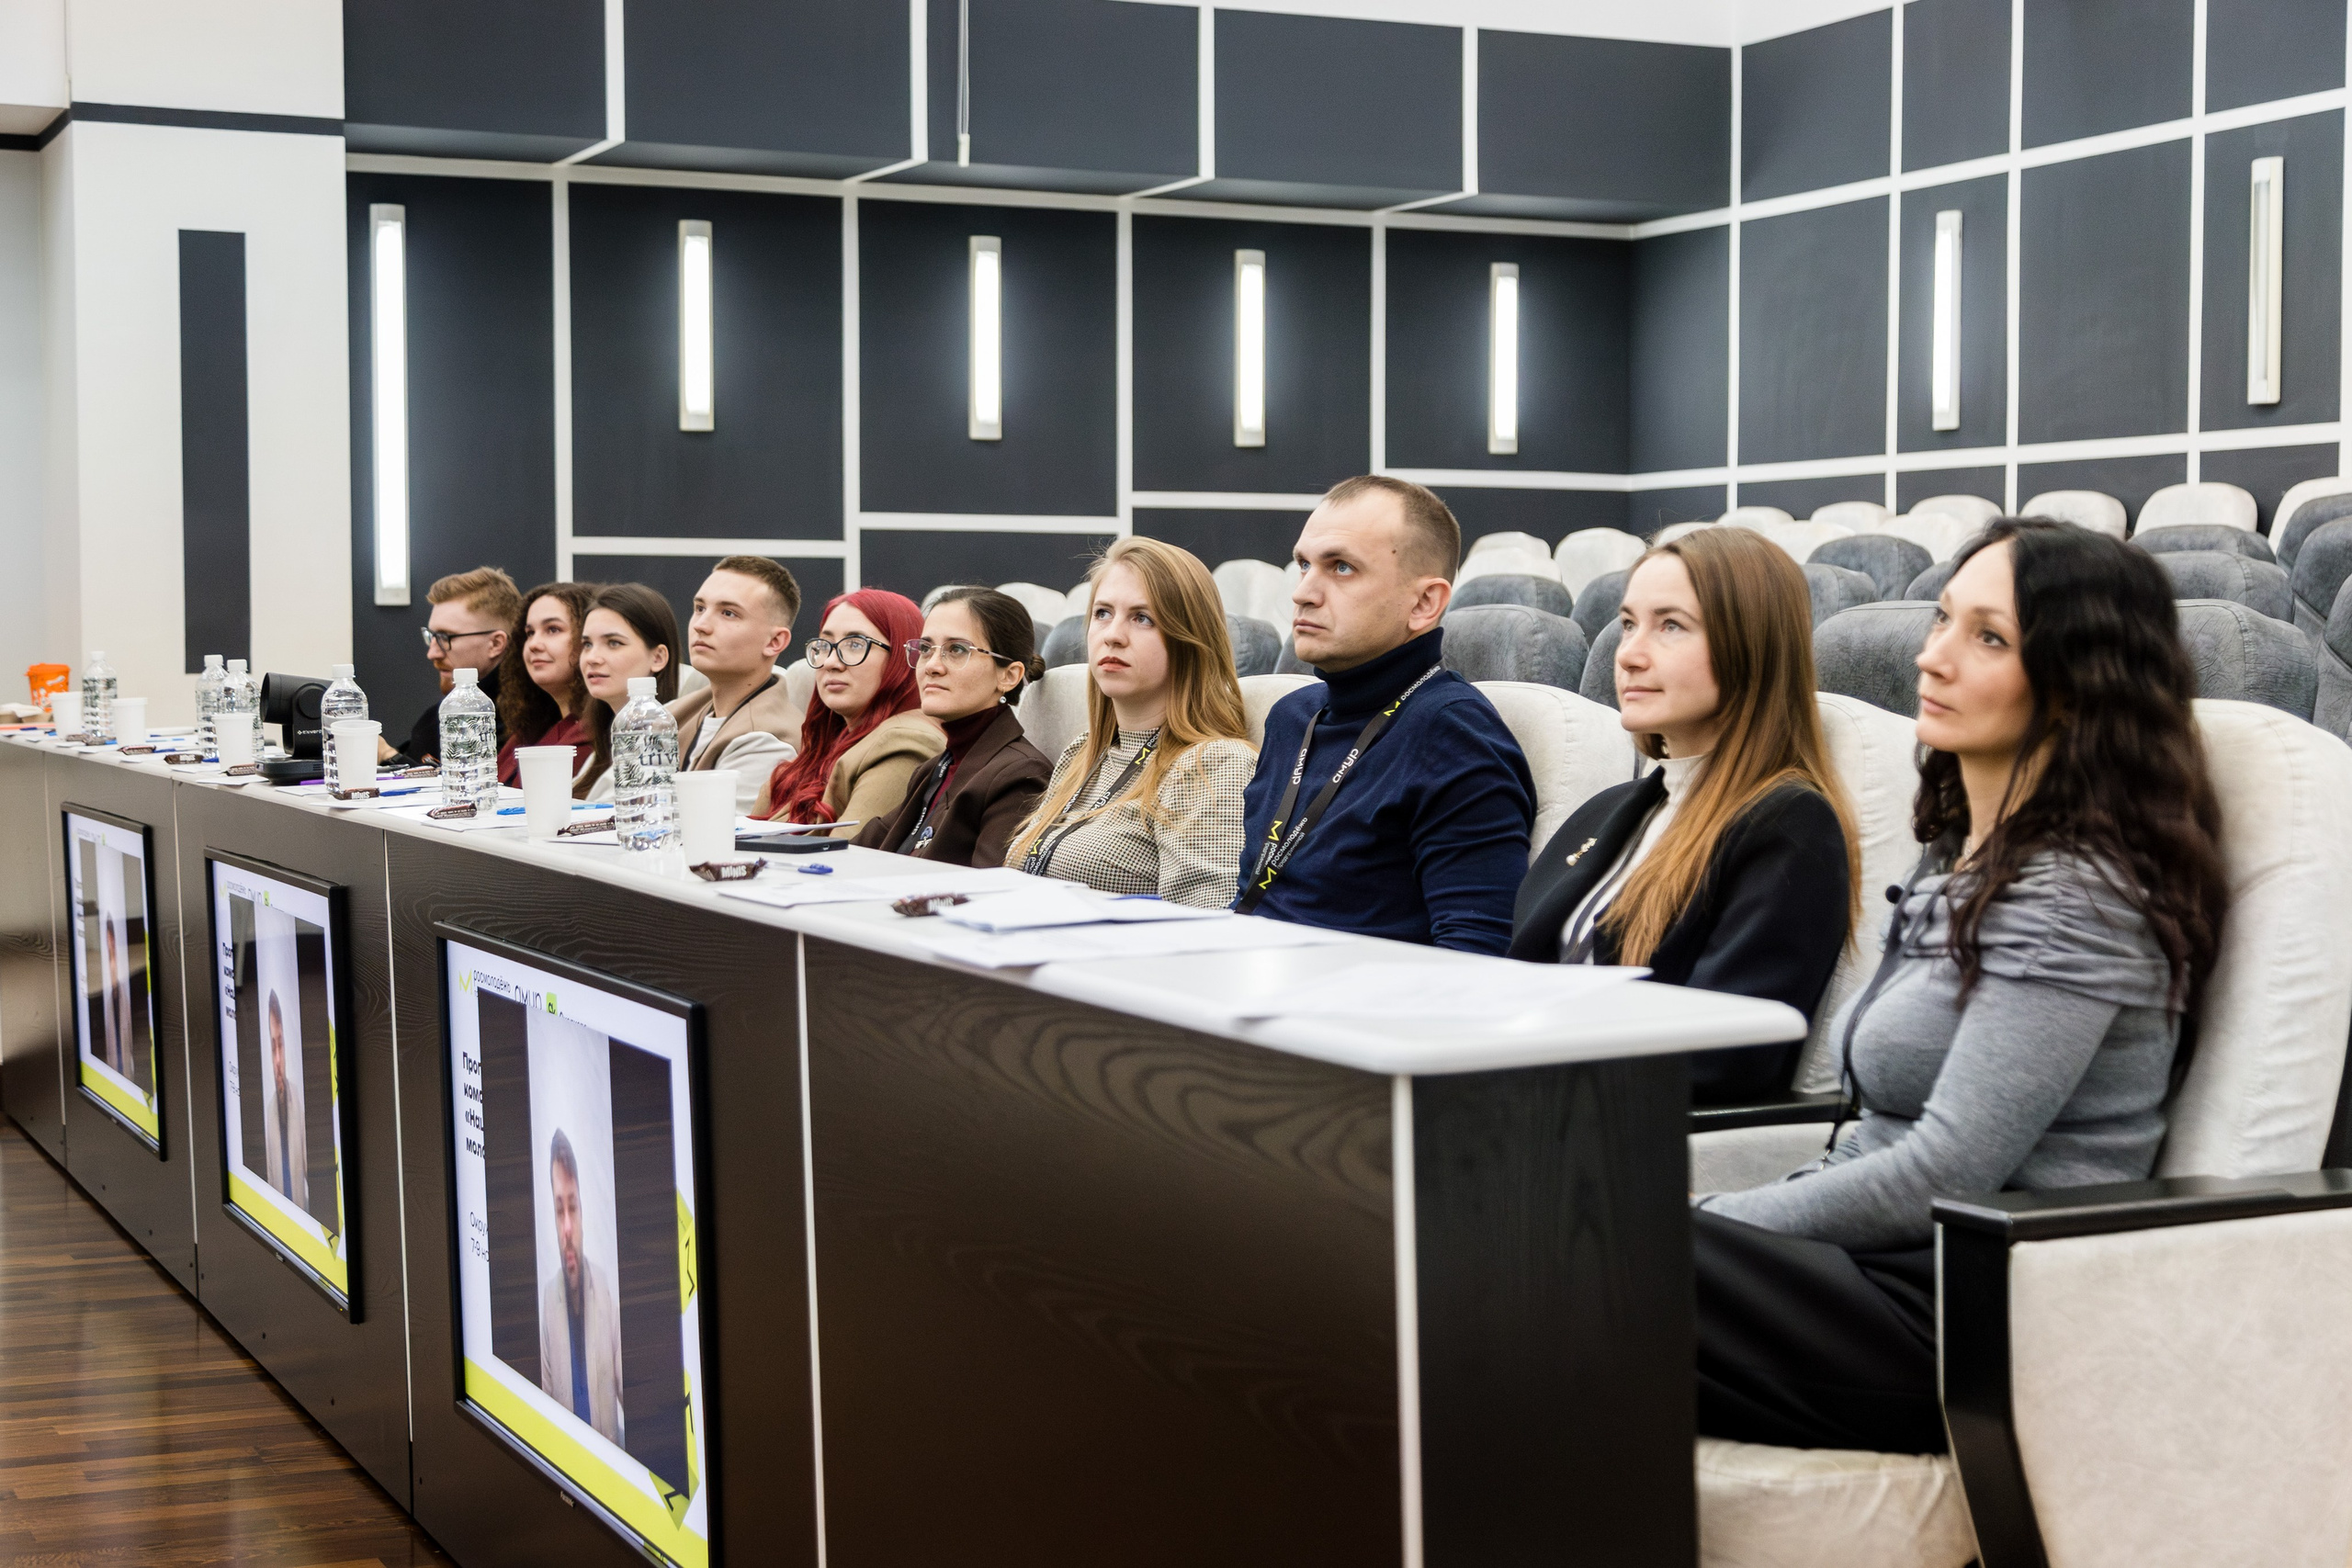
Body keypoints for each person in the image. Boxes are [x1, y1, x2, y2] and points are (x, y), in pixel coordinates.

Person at [1691, 518, 2228, 1456]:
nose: (1932, 656)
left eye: (1988, 637)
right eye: (1942, 619)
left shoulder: (2075, 897)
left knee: (1575, 1253)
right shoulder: (1962, 866)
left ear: (2072, 687)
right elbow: (1868, 1134)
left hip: (1959, 1311)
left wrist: (1710, 1221)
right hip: (1870, 1271)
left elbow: (1943, 1173)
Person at [1510, 526, 1859, 1101]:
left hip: (1614, 1134)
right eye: (1628, 624)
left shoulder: (1789, 824)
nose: (1629, 654)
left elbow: (1726, 1060)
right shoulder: (1614, 809)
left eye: (1670, 626)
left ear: (1750, 647)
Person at [1236, 476, 1534, 952]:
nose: (1303, 593)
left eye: (1342, 568)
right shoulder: (1291, 718)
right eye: (1303, 565)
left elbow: (1479, 957)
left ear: (1423, 603)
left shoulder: (1453, 735)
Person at [1003, 537, 1257, 908]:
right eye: (1103, 613)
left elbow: (1207, 930)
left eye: (1142, 618)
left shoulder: (1215, 763)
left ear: (1190, 640)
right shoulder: (1085, 752)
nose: (1112, 636)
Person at [857, 587, 1053, 866]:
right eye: (925, 649)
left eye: (957, 650)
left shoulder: (1021, 775)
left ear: (1009, 675)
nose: (932, 666)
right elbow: (858, 852)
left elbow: (986, 897)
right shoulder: (934, 769)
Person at [763, 590, 943, 839]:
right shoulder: (819, 751)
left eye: (855, 644)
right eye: (825, 645)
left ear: (904, 658)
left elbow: (845, 861)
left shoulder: (905, 741)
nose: (830, 662)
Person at [667, 556, 805, 815]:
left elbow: (709, 839)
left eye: (728, 613)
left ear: (775, 641)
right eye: (699, 608)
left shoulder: (769, 743)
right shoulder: (674, 714)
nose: (700, 625)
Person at [537, 1129, 624, 1446]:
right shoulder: (548, 1301)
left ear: (583, 1212)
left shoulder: (606, 1290)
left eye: (573, 1207)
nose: (568, 1228)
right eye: (560, 1211)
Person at [390, 567, 522, 766]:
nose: (432, 653)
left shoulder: (527, 723)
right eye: (431, 637)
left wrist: (388, 756)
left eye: (445, 637)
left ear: (496, 644)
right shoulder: (433, 719)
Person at [572, 584, 681, 803]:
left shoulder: (661, 749)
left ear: (658, 657)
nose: (592, 657)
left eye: (614, 643)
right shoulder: (600, 752)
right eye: (587, 644)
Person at [494, 581, 597, 786]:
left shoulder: (596, 735)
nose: (533, 644)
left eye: (553, 629)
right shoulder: (532, 729)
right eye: (530, 633)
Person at [263, 990, 308, 1210]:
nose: (278, 1060)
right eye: (273, 1048)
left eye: (280, 1044)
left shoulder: (300, 1099)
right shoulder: (269, 1112)